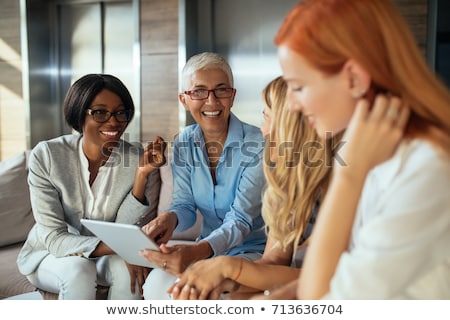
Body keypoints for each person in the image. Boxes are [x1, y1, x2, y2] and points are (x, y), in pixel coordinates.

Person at [272, 0, 450, 299]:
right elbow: (346, 271)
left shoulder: (429, 169)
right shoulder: (378, 150)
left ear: (354, 78)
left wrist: (348, 176)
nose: (290, 104)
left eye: (298, 86)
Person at [167, 76, 343, 300]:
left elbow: (336, 277)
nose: (263, 130)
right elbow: (274, 261)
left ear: (292, 125)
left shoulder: (342, 182)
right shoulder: (288, 184)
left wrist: (228, 267)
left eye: (268, 118)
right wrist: (225, 284)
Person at [17, 74, 165, 299]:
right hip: (49, 255)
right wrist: (122, 248)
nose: (113, 121)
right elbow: (55, 239)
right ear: (79, 113)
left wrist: (141, 176)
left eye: (120, 112)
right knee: (79, 270)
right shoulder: (47, 155)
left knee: (129, 274)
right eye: (100, 112)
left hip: (105, 254)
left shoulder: (136, 158)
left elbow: (122, 229)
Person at [139, 52, 267, 299]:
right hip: (207, 249)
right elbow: (185, 205)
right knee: (156, 285)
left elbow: (241, 220)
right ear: (184, 100)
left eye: (221, 90)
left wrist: (197, 252)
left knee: (207, 292)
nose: (211, 101)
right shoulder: (184, 142)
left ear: (232, 96)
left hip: (252, 252)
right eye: (198, 91)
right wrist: (169, 219)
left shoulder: (257, 144)